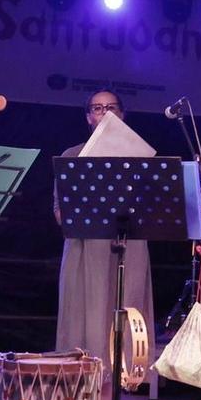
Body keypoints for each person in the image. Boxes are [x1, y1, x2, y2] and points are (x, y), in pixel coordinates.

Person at [55, 89, 153, 370]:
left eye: (111, 107)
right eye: (97, 108)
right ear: (88, 117)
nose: (104, 113)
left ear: (122, 114)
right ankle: (83, 375)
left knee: (127, 305)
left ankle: (123, 376)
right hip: (86, 247)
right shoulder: (72, 155)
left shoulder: (139, 156)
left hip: (129, 244)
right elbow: (60, 213)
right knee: (88, 311)